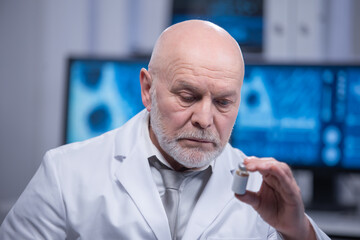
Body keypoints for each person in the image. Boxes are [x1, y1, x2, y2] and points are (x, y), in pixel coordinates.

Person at [0, 20, 330, 240]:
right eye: (188, 96)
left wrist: (299, 230)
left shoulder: (260, 190)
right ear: (147, 89)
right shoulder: (66, 174)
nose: (205, 118)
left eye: (224, 102)